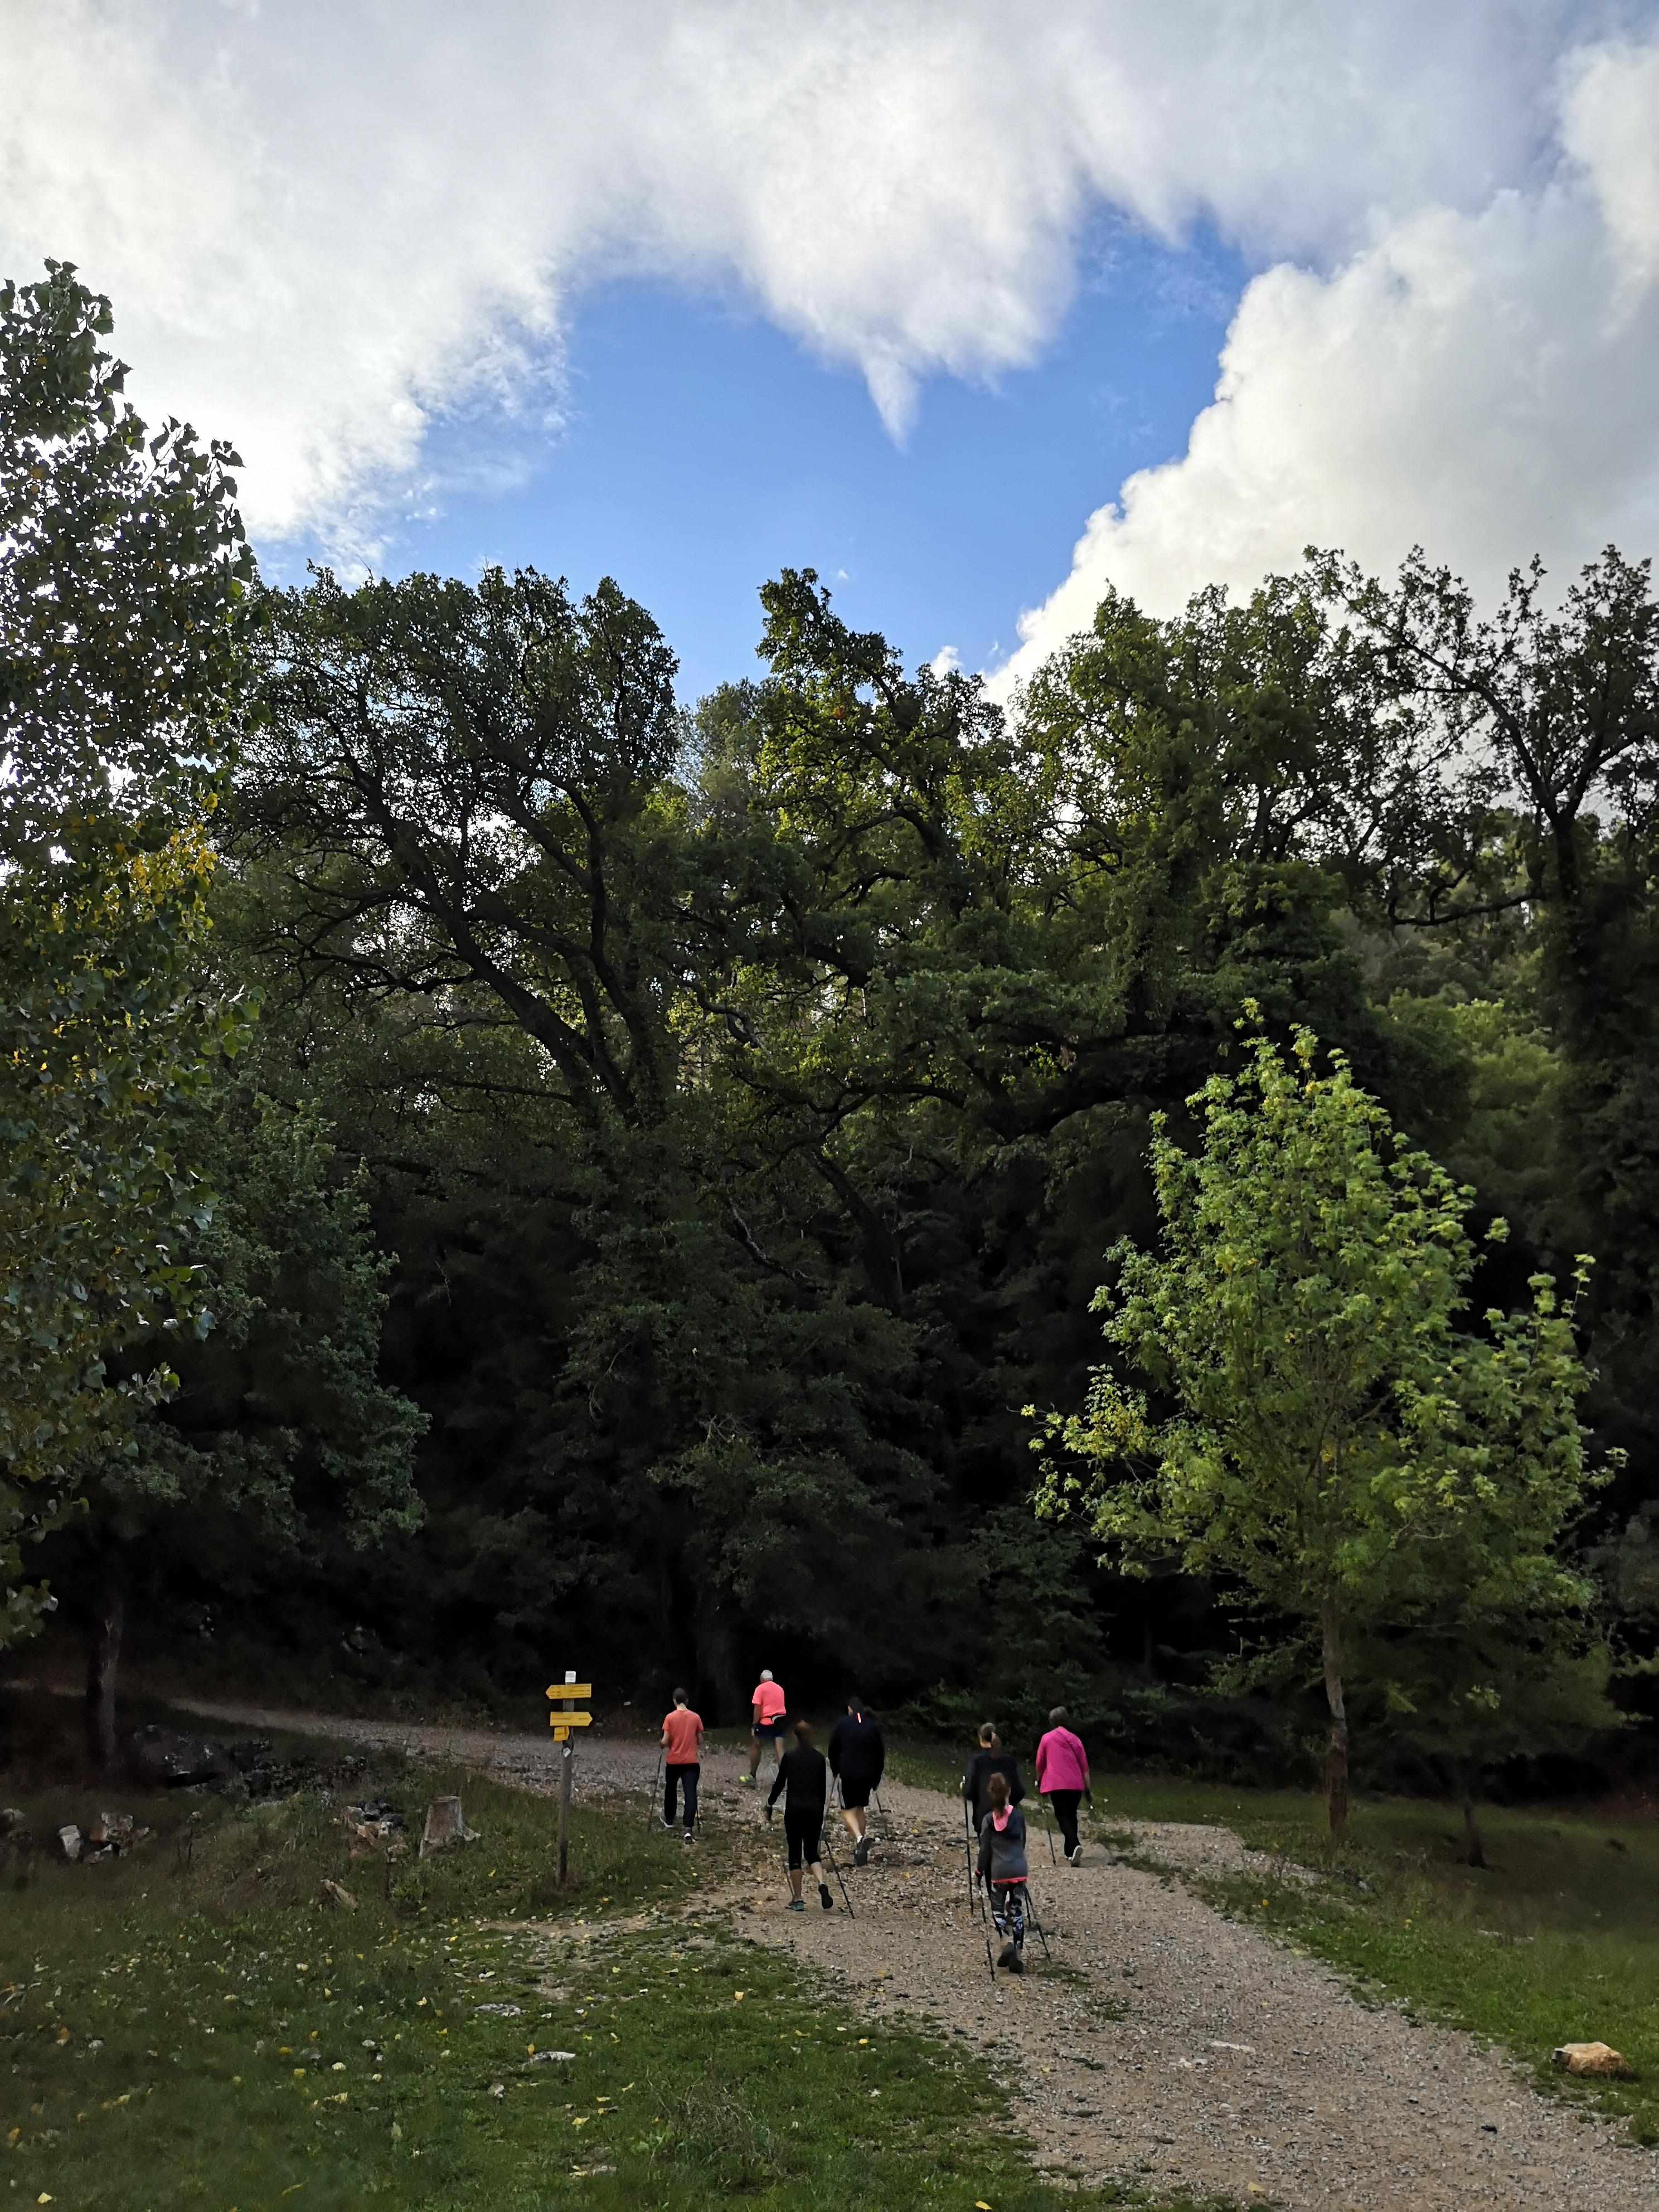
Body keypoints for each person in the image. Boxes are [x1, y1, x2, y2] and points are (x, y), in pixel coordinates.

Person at [765, 1719, 835, 1912]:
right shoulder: (819, 1759)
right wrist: (820, 1814)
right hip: (814, 1810)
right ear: (811, 1736)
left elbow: (780, 1783)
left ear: (795, 1737)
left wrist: (770, 1803)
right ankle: (821, 1883)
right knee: (812, 1853)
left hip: (795, 1810)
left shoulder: (790, 1757)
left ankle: (798, 1899)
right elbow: (822, 1789)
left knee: (795, 1852)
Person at [977, 1769, 1029, 1972]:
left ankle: (1005, 1941)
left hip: (999, 1872)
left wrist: (979, 1871)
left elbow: (985, 1850)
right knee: (1017, 1912)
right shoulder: (1019, 1816)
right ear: (1009, 1791)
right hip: (1019, 1869)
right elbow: (1022, 1842)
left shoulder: (988, 1820)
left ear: (990, 1794)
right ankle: (1018, 1955)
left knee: (997, 1910)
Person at [826, 1695, 885, 1866]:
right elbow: (880, 1753)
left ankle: (859, 1839)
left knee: (847, 1810)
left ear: (850, 1709)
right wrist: (876, 1778)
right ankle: (860, 1849)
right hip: (868, 1774)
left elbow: (833, 1747)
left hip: (849, 1773)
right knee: (860, 1808)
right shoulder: (872, 1726)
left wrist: (835, 1769)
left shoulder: (843, 1724)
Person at [1034, 1705, 1093, 1865]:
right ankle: (1071, 1852)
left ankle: (1075, 1844)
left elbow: (1040, 1762)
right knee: (1071, 1815)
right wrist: (1088, 1788)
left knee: (1062, 1816)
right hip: (1075, 1785)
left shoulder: (1047, 1739)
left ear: (1052, 1721)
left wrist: (1039, 1780)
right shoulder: (1075, 1739)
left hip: (1057, 1784)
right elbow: (1084, 1766)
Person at [961, 1722, 1025, 1842]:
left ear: (981, 1739)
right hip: (1009, 1818)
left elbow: (969, 1793)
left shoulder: (977, 1762)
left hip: (984, 1817)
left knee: (986, 1849)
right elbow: (1019, 1792)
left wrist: (964, 1788)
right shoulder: (1010, 1762)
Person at [659, 1686, 705, 1843]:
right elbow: (700, 1741)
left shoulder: (670, 1718)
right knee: (690, 1792)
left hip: (674, 1761)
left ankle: (669, 1820)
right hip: (691, 1762)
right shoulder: (696, 1718)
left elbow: (666, 1740)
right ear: (687, 1701)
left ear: (674, 1701)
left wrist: (661, 1744)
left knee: (671, 1790)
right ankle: (688, 1827)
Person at [746, 1668, 788, 1784]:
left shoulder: (760, 1688)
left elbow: (758, 1708)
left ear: (762, 1680)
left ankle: (752, 1776)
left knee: (756, 1744)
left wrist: (755, 1724)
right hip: (781, 1719)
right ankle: (783, 1779)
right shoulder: (780, 1689)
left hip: (768, 1720)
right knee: (780, 1748)